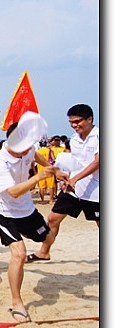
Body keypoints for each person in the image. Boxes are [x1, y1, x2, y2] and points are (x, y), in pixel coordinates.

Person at [0, 113, 58, 323]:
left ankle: (42, 251)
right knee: (19, 254)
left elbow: (36, 156)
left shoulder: (27, 148)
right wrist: (39, 176)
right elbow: (14, 192)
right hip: (5, 212)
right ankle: (17, 302)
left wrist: (53, 170)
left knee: (48, 237)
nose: (28, 150)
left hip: (26, 209)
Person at [27, 104, 98, 262]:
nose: (74, 125)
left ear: (89, 119)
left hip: (96, 190)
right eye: (71, 122)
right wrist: (67, 179)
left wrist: (75, 178)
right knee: (53, 218)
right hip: (74, 188)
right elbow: (76, 162)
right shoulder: (74, 139)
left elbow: (97, 162)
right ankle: (44, 252)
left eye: (77, 121)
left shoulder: (99, 136)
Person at [34, 140, 54, 204]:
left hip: (40, 170)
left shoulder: (37, 152)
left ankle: (42, 200)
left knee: (41, 186)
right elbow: (53, 159)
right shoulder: (49, 150)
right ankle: (51, 200)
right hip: (49, 170)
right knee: (51, 186)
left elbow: (35, 161)